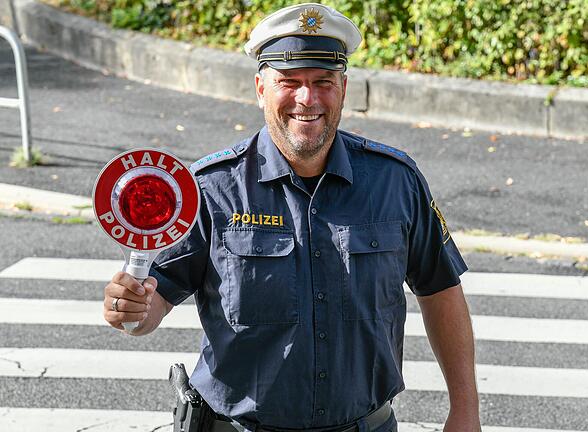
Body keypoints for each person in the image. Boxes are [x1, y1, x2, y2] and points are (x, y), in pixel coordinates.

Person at [102, 3, 480, 432]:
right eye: (290, 82)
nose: (308, 99)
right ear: (261, 88)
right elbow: (155, 301)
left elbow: (441, 290)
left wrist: (465, 412)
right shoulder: (211, 188)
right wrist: (131, 308)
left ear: (344, 88)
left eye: (323, 82)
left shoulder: (395, 181)